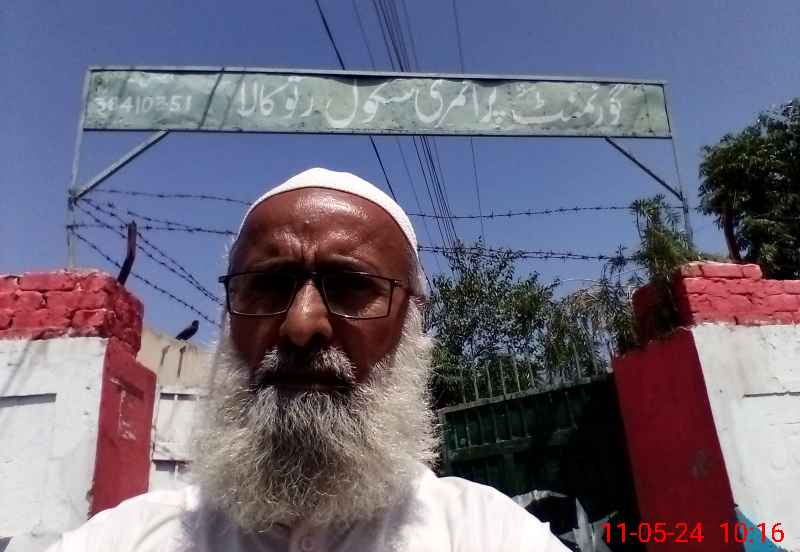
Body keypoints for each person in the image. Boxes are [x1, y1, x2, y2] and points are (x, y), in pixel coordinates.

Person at [48, 168, 568, 552]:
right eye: (267, 285)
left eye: (351, 286)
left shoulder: (486, 535)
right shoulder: (128, 539)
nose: (300, 325)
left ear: (411, 320)